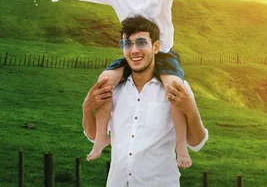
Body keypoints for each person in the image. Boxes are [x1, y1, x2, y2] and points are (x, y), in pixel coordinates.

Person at [37, 0, 209, 167]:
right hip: (133, 54)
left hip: (163, 55)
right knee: (104, 81)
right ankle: (100, 138)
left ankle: (180, 147)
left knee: (175, 88)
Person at [82, 15, 208, 186]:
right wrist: (87, 108)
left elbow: (197, 143)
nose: (134, 50)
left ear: (156, 47)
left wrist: (191, 109)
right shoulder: (114, 90)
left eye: (141, 43)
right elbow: (93, 135)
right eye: (128, 44)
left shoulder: (176, 89)